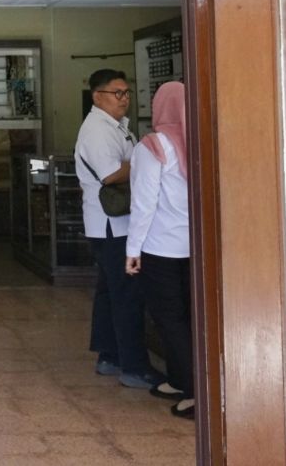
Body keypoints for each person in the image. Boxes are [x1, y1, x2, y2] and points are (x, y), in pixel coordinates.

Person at [75, 68, 162, 389]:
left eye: (126, 93)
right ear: (97, 96)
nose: (124, 99)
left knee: (110, 293)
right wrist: (145, 163)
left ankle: (109, 356)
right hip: (111, 226)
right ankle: (134, 367)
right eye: (117, 93)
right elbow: (111, 174)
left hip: (117, 224)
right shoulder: (97, 130)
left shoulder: (116, 126)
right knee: (127, 295)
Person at [126, 81, 195, 419]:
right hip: (194, 248)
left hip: (161, 247)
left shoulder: (152, 147)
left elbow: (144, 204)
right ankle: (180, 379)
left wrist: (132, 250)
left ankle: (194, 391)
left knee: (169, 319)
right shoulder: (198, 142)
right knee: (189, 316)